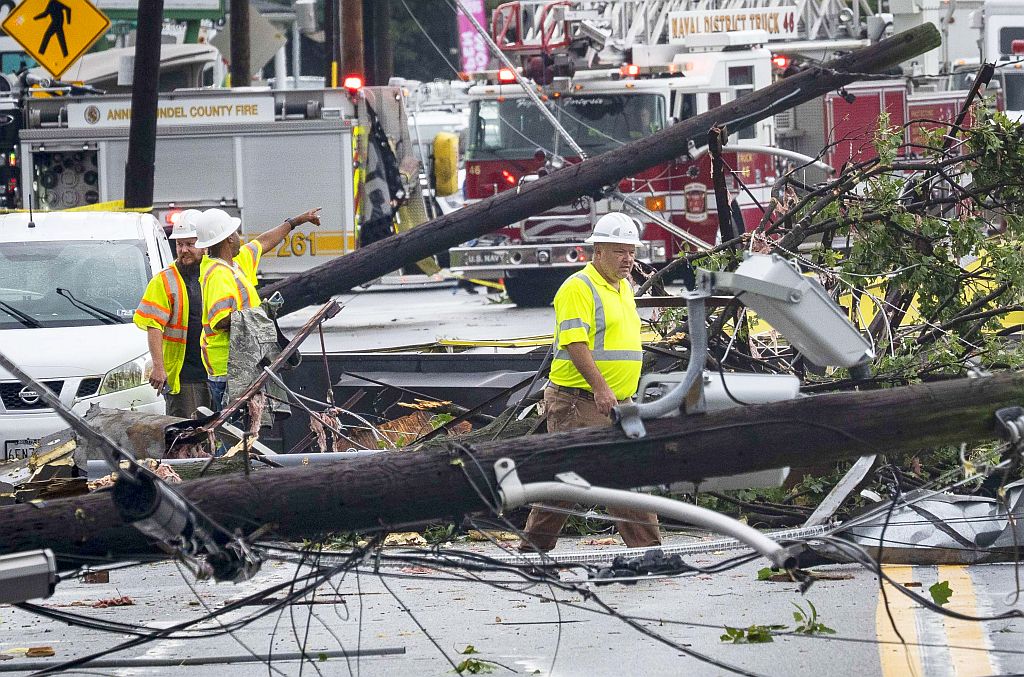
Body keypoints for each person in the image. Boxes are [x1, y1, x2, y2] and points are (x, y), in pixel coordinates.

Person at [518, 212, 661, 553]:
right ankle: (651, 551)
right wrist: (600, 387)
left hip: (613, 401)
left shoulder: (623, 287)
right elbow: (574, 342)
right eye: (618, 251)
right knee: (619, 474)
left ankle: (532, 548)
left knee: (571, 479)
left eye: (631, 251)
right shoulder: (577, 288)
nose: (627, 259)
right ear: (597, 252)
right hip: (580, 401)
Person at [194, 207, 321, 410]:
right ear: (228, 239)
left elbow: (262, 243)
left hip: (243, 363)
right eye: (235, 233)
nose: (238, 237)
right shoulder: (218, 275)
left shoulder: (233, 264)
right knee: (234, 433)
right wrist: (260, 314)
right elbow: (220, 320)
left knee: (246, 432)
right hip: (229, 369)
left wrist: (294, 222)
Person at [134, 210, 212, 419]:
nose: (183, 250)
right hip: (185, 377)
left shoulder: (215, 275)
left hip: (216, 374)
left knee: (219, 439)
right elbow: (154, 325)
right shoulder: (164, 280)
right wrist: (158, 367)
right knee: (188, 437)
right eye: (179, 244)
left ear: (205, 245)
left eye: (190, 244)